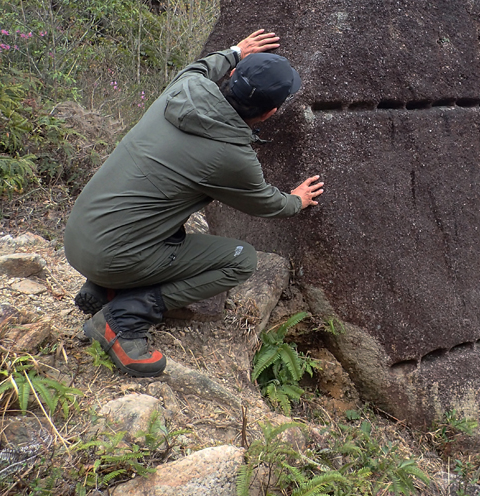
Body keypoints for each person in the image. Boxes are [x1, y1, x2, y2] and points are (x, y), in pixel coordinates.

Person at [64, 29, 324, 377]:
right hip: (111, 256)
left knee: (170, 218)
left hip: (79, 234)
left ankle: (106, 287)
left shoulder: (184, 87)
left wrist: (235, 50)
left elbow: (202, 66)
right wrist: (296, 199)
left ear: (232, 76)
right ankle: (123, 318)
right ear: (269, 114)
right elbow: (266, 203)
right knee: (241, 260)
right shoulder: (233, 155)